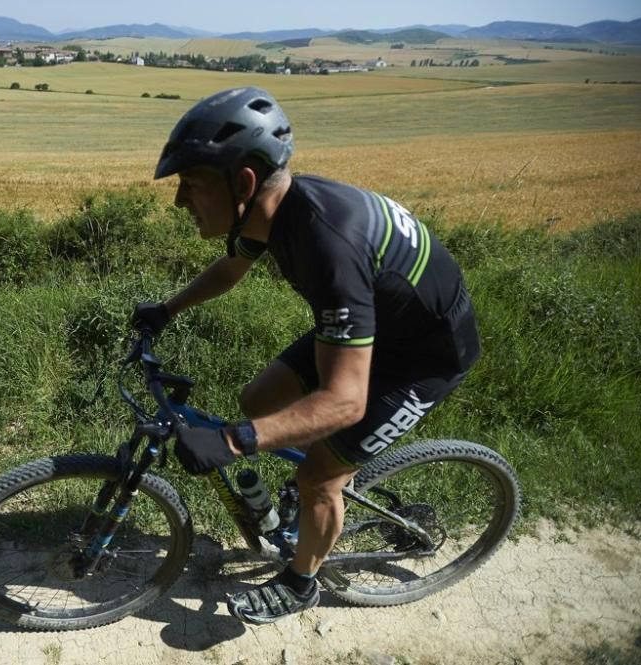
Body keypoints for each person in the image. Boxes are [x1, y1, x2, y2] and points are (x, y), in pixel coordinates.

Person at [131, 87, 481, 625]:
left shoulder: (328, 243)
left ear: (243, 182)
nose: (181, 201)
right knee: (258, 399)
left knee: (318, 476)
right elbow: (230, 270)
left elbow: (343, 401)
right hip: (375, 323)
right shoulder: (274, 211)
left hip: (425, 354)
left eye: (192, 184)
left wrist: (231, 441)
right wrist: (167, 309)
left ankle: (301, 580)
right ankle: (318, 492)